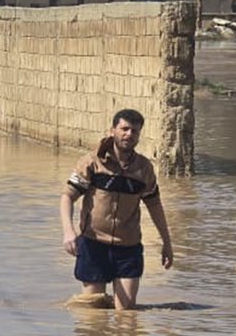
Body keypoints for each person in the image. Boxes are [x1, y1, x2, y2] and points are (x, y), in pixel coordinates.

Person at [60, 109, 173, 310]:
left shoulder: (144, 169)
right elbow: (67, 196)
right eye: (124, 129)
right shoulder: (92, 162)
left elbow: (154, 205)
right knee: (93, 313)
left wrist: (167, 242)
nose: (129, 135)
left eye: (135, 131)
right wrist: (69, 232)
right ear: (112, 130)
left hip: (128, 247)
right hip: (94, 244)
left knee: (127, 313)